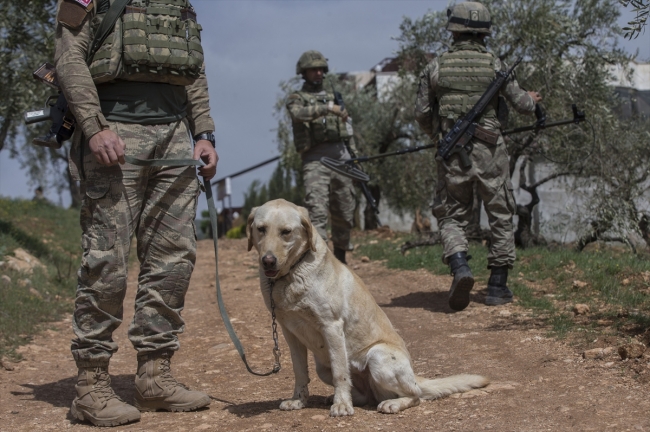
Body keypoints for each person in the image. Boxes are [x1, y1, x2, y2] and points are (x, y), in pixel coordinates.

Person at [55, 0, 218, 426]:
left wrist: (203, 132)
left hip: (175, 139)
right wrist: (94, 126)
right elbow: (69, 57)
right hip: (115, 135)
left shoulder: (179, 4)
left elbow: (193, 68)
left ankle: (154, 377)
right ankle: (90, 387)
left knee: (173, 258)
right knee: (106, 261)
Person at [414, 1, 542, 311]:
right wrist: (534, 100)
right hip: (491, 152)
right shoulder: (494, 64)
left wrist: (440, 138)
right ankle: (498, 286)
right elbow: (522, 104)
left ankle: (460, 266)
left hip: (452, 154)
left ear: (453, 29)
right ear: (484, 31)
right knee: (499, 213)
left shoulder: (436, 66)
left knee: (450, 214)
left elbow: (421, 113)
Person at [286, 51, 355, 264]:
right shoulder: (296, 98)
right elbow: (298, 114)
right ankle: (322, 262)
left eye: (320, 69)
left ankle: (341, 260)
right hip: (315, 159)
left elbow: (348, 129)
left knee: (345, 211)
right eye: (313, 69)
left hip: (341, 157)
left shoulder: (335, 97)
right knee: (316, 211)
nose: (318, 73)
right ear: (303, 72)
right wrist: (327, 108)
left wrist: (355, 156)